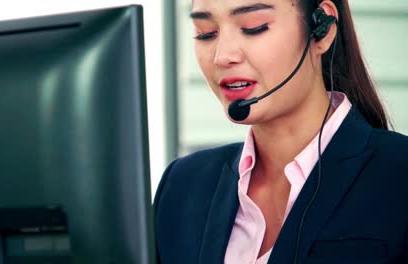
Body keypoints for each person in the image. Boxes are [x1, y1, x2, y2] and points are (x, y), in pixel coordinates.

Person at [154, 0, 408, 263]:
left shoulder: (399, 175)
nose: (222, 56)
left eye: (254, 27)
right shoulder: (181, 187)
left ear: (322, 29)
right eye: (205, 32)